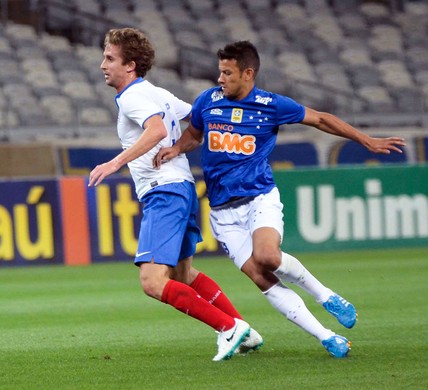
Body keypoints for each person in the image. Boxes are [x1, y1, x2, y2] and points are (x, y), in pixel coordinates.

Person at [154, 41, 406, 358]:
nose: (220, 79)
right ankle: (326, 336)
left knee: (268, 258)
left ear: (248, 73)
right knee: (260, 277)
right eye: (220, 71)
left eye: (227, 73)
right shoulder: (208, 101)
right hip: (221, 212)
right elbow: (195, 133)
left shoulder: (271, 105)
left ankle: (326, 295)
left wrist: (365, 139)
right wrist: (176, 148)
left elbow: (321, 119)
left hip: (259, 197)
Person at [88, 28, 263, 361]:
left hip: (164, 192)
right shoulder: (156, 92)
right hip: (182, 187)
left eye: (110, 58)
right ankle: (243, 330)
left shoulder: (132, 97)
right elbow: (198, 117)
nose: (102, 65)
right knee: (183, 275)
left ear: (131, 65)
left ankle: (229, 329)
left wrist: (116, 162)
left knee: (153, 281)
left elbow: (155, 130)